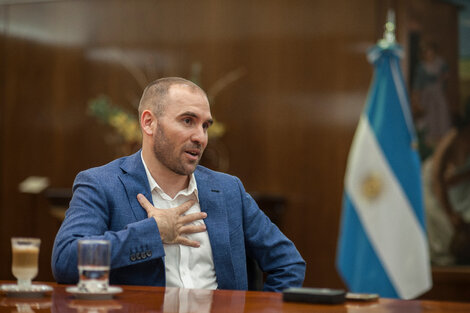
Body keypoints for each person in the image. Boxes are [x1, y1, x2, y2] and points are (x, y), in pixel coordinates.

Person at [52, 77, 305, 292]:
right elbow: (65, 261)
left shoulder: (228, 191)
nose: (200, 137)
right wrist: (153, 233)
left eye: (205, 125)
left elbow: (288, 264)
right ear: (149, 122)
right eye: (187, 121)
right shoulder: (102, 184)